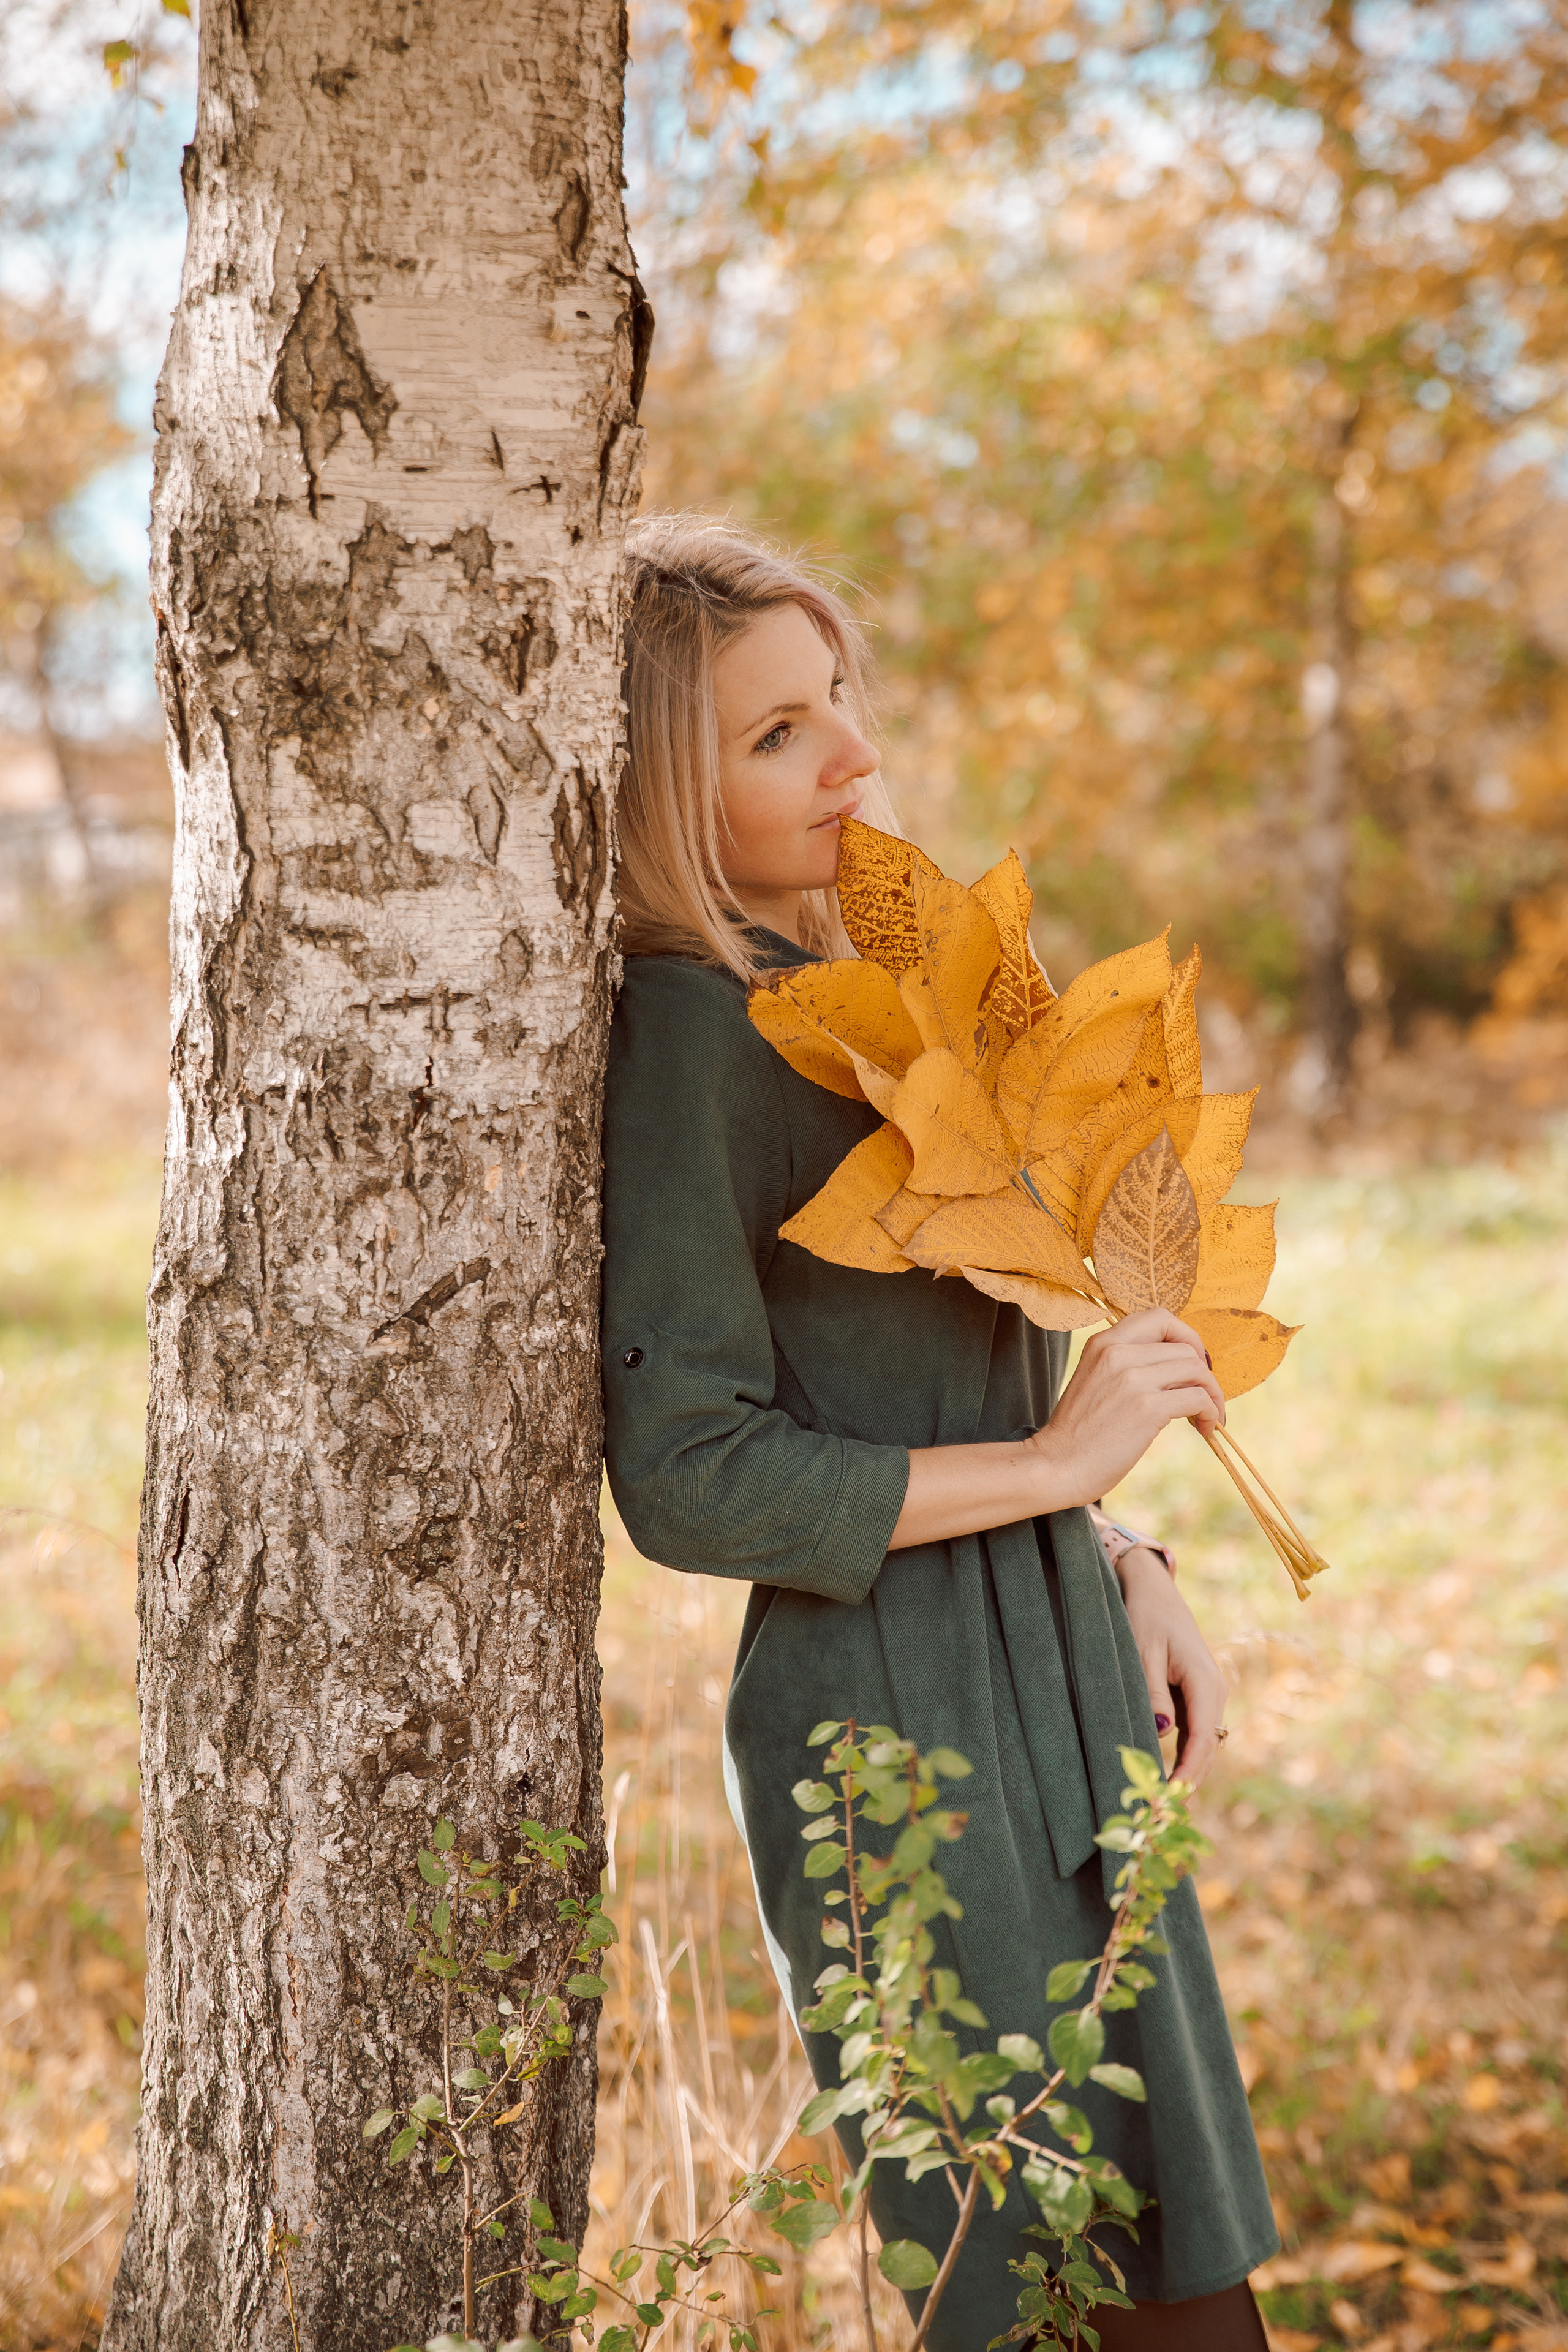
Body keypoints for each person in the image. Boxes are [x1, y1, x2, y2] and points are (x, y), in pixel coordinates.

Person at [600, 513, 1278, 2350]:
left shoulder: (858, 1018)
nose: (855, 760)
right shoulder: (687, 1038)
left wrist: (1117, 1550)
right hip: (892, 1729)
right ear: (663, 785)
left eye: (839, 706)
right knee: (1044, 2297)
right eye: (776, 735)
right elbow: (689, 1472)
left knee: (1186, 2286)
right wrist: (1065, 1471)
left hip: (1050, 1663)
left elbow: (936, 1379)